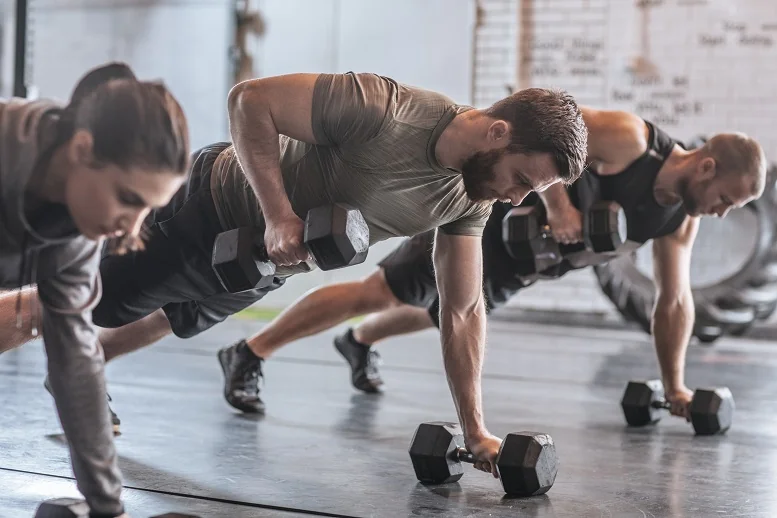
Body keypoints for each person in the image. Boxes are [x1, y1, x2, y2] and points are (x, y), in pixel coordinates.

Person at [0, 71, 589, 478]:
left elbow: (461, 310)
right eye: (522, 180)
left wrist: (476, 429)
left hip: (262, 262)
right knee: (67, 307)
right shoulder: (385, 108)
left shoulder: (471, 197)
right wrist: (280, 214)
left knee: (174, 318)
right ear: (497, 133)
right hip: (211, 212)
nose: (517, 200)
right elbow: (249, 100)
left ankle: (82, 369)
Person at [215, 107, 767, 420]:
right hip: (493, 221)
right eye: (727, 200)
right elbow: (552, 142)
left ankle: (358, 343)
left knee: (438, 315)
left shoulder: (679, 220)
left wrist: (676, 387)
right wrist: (561, 205)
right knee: (381, 292)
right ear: (708, 166)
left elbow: (674, 301)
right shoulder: (630, 139)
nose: (721, 214)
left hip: (530, 265)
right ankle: (248, 351)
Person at [0, 62, 190, 517]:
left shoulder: (78, 243)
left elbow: (76, 365)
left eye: (148, 208)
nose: (132, 228)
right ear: (82, 149)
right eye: (128, 198)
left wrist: (107, 507)